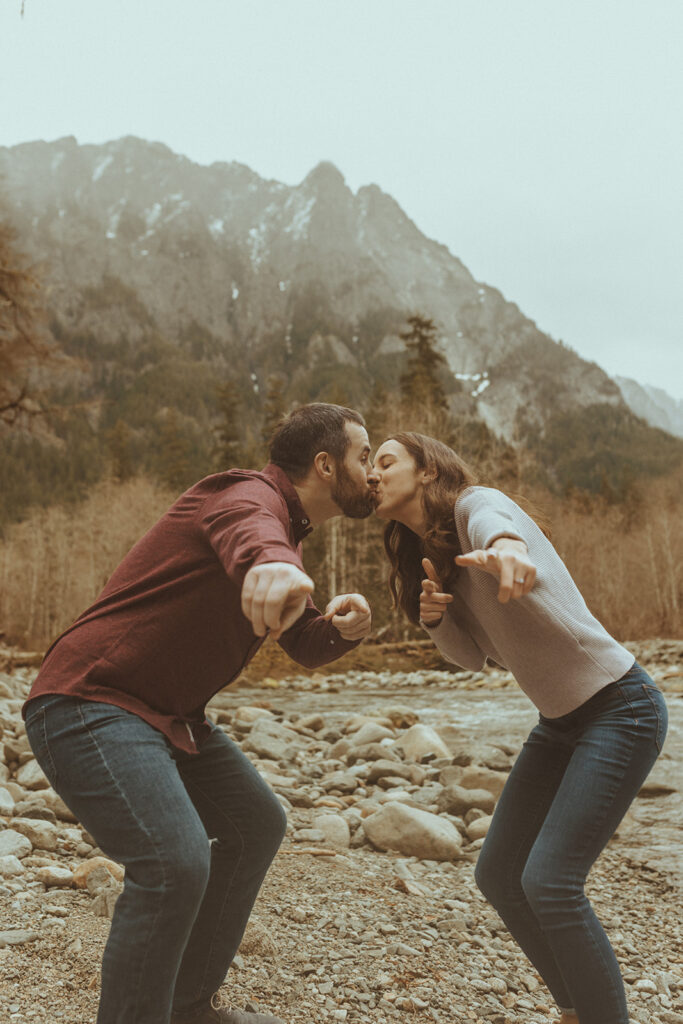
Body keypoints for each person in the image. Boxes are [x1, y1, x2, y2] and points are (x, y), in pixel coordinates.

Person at [23, 403, 375, 1024]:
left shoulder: (285, 530)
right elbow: (251, 537)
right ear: (325, 465)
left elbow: (302, 643)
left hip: (165, 716)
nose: (372, 473)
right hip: (89, 701)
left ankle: (187, 1007)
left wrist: (342, 629)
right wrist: (273, 563)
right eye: (364, 457)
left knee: (255, 822)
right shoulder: (245, 497)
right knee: (173, 861)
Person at [372, 431, 667, 1024]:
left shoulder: (478, 506)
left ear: (428, 470)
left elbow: (498, 526)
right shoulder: (430, 555)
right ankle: (575, 1009)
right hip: (559, 724)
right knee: (501, 874)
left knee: (552, 882)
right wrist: (437, 619)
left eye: (386, 461)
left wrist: (509, 547)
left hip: (620, 708)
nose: (374, 474)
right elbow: (470, 660)